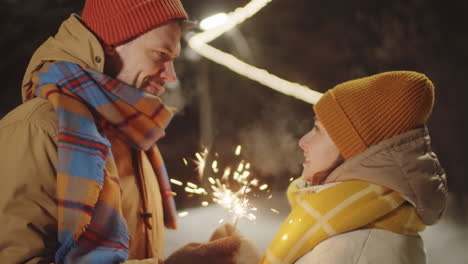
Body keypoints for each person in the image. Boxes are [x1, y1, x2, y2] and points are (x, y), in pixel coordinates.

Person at [0, 0, 246, 263]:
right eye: (160, 55)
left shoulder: (131, 133)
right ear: (109, 45)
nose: (170, 75)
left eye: (172, 59)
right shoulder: (36, 130)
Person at [260, 71, 448, 264]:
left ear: (351, 147)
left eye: (317, 129)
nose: (303, 141)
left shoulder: (350, 251)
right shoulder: (352, 228)